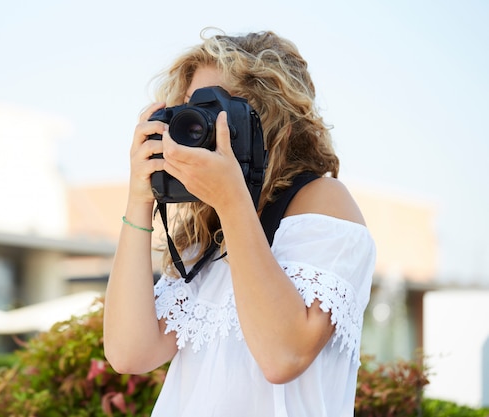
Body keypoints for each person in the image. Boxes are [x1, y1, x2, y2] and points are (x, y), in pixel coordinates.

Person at [103, 29, 376, 417]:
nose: (194, 126)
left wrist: (231, 200)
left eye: (210, 108)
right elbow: (129, 352)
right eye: (186, 109)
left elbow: (282, 356)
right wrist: (140, 198)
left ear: (268, 116)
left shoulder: (322, 201)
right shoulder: (206, 235)